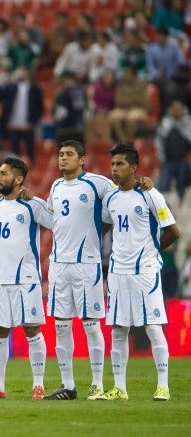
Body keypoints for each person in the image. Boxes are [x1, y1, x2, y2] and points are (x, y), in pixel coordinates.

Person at [101, 143, 180, 401]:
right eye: (112, 164)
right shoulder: (111, 197)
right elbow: (103, 227)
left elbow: (172, 231)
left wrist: (153, 252)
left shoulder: (149, 194)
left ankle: (163, 386)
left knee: (153, 327)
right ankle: (120, 389)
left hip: (145, 272)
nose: (114, 169)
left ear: (133, 167)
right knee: (118, 330)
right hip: (118, 273)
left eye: (120, 164)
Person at [0, 157, 52, 400]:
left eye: (4, 174)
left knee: (31, 330)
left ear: (18, 179)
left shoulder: (32, 205)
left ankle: (38, 385)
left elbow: (55, 220)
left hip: (25, 279)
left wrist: (37, 199)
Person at [43, 140, 114, 401]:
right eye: (60, 154)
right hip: (59, 265)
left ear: (82, 159)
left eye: (69, 154)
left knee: (91, 325)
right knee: (61, 327)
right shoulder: (56, 186)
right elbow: (53, 218)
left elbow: (121, 201)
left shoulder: (97, 183)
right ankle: (68, 386)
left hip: (86, 265)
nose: (63, 158)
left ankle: (97, 385)